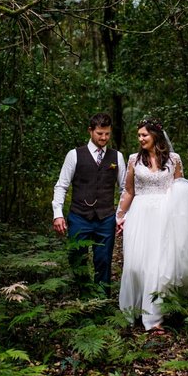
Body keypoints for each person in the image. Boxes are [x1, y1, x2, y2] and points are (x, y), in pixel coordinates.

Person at [117, 119, 188, 333]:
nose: (140, 139)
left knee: (159, 265)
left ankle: (155, 319)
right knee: (136, 264)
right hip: (140, 214)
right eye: (138, 136)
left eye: (144, 135)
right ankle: (133, 312)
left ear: (155, 135)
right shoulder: (133, 160)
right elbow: (129, 190)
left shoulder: (174, 159)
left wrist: (182, 217)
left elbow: (181, 189)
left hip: (166, 216)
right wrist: (119, 215)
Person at [52, 113, 127, 295]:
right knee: (77, 259)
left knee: (103, 260)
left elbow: (124, 189)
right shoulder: (74, 155)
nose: (103, 138)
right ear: (90, 131)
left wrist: (121, 215)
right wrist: (58, 214)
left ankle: (101, 301)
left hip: (106, 218)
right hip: (79, 216)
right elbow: (62, 185)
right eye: (100, 133)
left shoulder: (117, 157)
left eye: (107, 134)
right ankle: (85, 299)